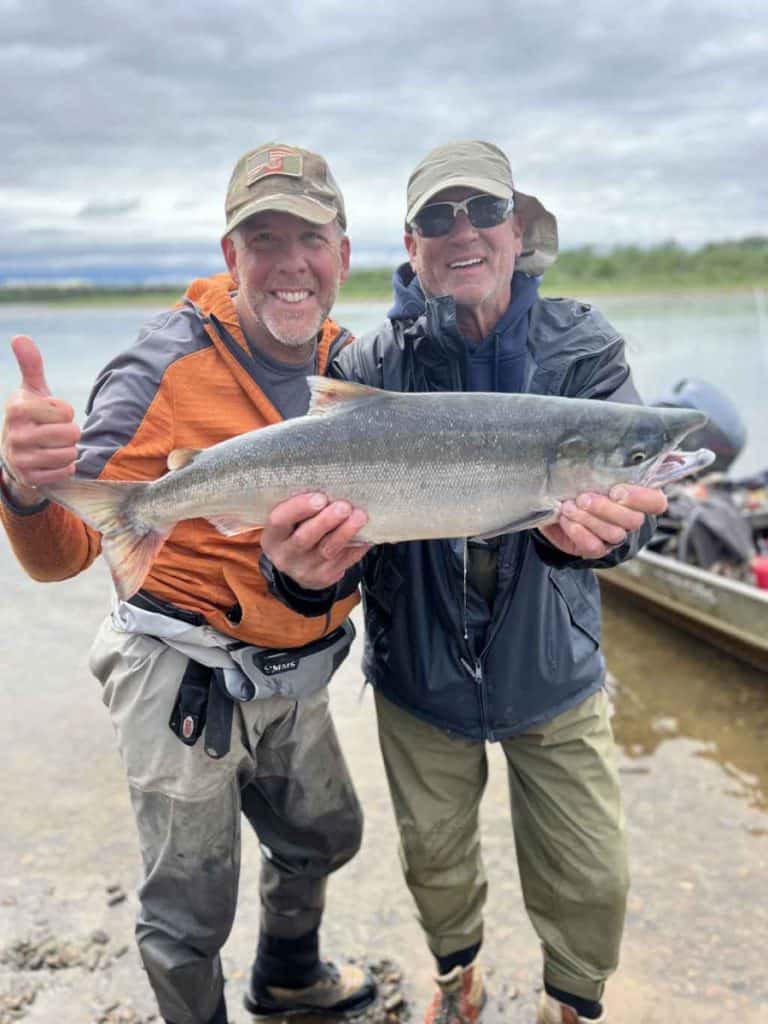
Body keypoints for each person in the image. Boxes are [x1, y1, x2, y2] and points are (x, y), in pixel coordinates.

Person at [259, 140, 669, 1024]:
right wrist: (296, 577)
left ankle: (572, 1002)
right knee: (435, 861)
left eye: (483, 212)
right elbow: (315, 564)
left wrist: (596, 542)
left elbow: (638, 520)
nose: (463, 232)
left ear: (519, 231)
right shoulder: (368, 365)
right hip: (419, 676)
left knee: (593, 871)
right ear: (412, 247)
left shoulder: (586, 353)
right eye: (437, 219)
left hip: (554, 671)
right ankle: (459, 980)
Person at [0, 144, 377, 1024]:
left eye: (311, 238)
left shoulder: (357, 365)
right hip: (179, 669)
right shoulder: (160, 369)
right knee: (188, 912)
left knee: (325, 835)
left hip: (295, 660)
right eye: (264, 238)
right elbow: (62, 555)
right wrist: (23, 484)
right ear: (230, 255)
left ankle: (286, 981)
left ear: (345, 254)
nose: (290, 262)